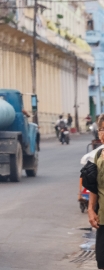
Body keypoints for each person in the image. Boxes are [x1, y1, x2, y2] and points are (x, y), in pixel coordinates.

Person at [88, 114, 104, 269]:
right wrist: (91, 209)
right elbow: (94, 185)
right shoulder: (98, 155)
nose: (103, 133)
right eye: (102, 129)